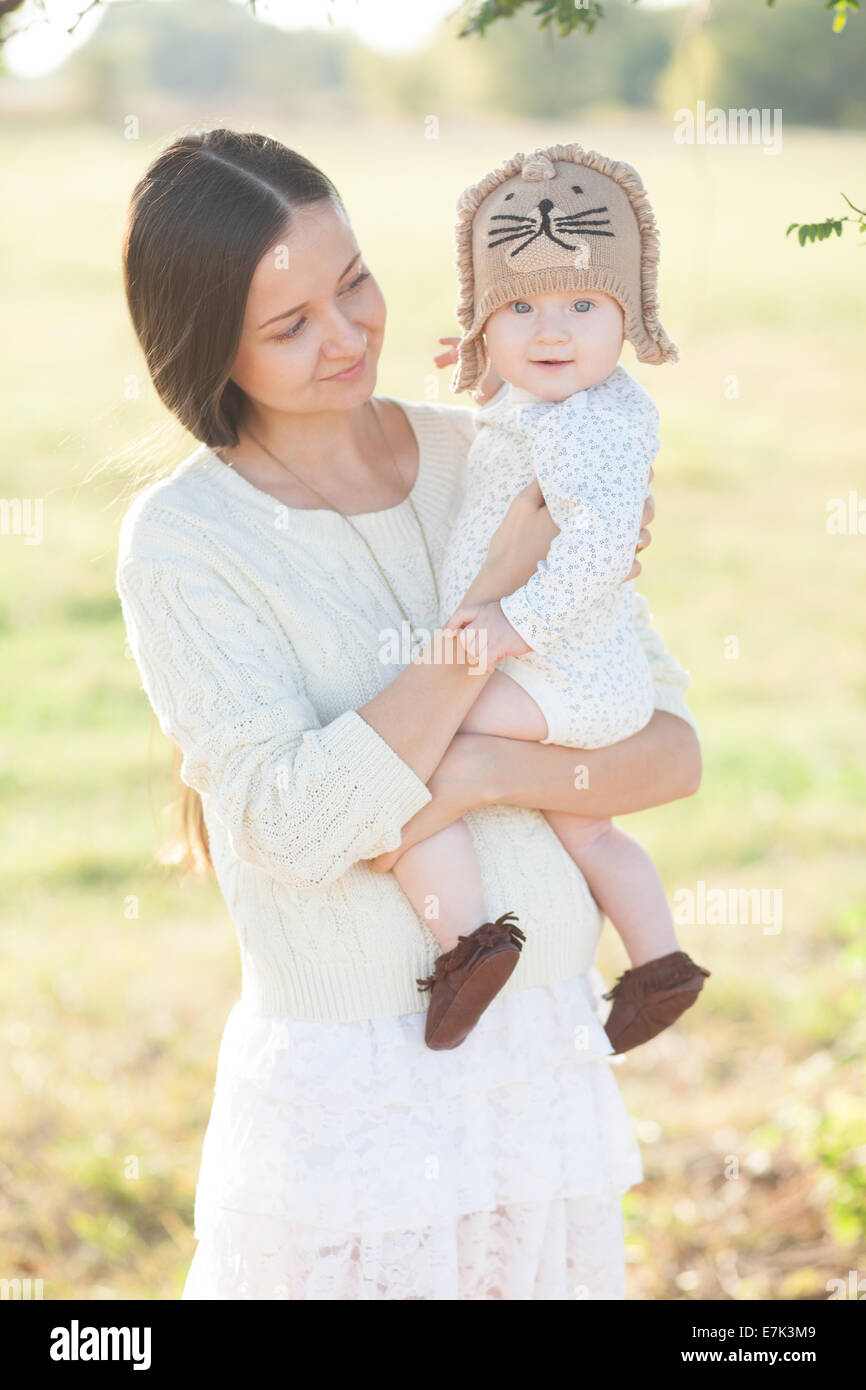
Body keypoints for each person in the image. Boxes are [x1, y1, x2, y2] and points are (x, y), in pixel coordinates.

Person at [116, 128, 702, 1301]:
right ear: (206, 345)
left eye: (354, 285)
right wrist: (486, 606)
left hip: (537, 1073)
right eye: (289, 326)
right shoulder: (186, 544)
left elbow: (664, 752)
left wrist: (482, 775)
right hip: (353, 1103)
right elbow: (292, 827)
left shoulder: (495, 447)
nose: (346, 339)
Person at [383, 143, 710, 1055]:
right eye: (517, 307)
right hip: (585, 680)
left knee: (419, 742)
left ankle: (469, 946)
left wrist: (506, 623)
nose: (549, 331)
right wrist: (494, 370)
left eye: (580, 305)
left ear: (631, 317)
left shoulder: (588, 426)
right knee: (591, 830)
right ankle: (660, 967)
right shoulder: (577, 398)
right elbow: (533, 403)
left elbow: (602, 549)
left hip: (557, 670)